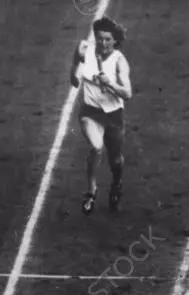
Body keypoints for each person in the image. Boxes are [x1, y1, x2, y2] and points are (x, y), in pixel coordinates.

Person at [70, 16, 132, 215]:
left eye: (107, 39)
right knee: (96, 148)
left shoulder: (119, 62)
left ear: (114, 41)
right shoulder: (84, 49)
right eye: (99, 38)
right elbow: (75, 63)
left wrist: (110, 84)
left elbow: (128, 93)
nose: (103, 43)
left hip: (113, 114)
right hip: (90, 112)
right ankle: (91, 190)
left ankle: (116, 184)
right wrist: (73, 75)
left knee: (115, 159)